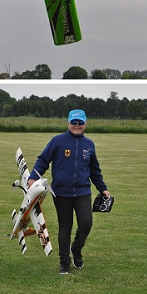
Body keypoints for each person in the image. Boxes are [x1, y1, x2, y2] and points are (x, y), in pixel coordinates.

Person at [27, 109, 111, 275]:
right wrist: (33, 177)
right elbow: (43, 160)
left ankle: (76, 249)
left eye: (80, 122)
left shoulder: (89, 144)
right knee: (65, 227)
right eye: (74, 122)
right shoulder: (57, 141)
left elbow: (94, 170)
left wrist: (103, 188)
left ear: (85, 123)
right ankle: (64, 263)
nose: (77, 125)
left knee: (86, 223)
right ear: (68, 123)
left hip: (82, 192)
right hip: (61, 193)